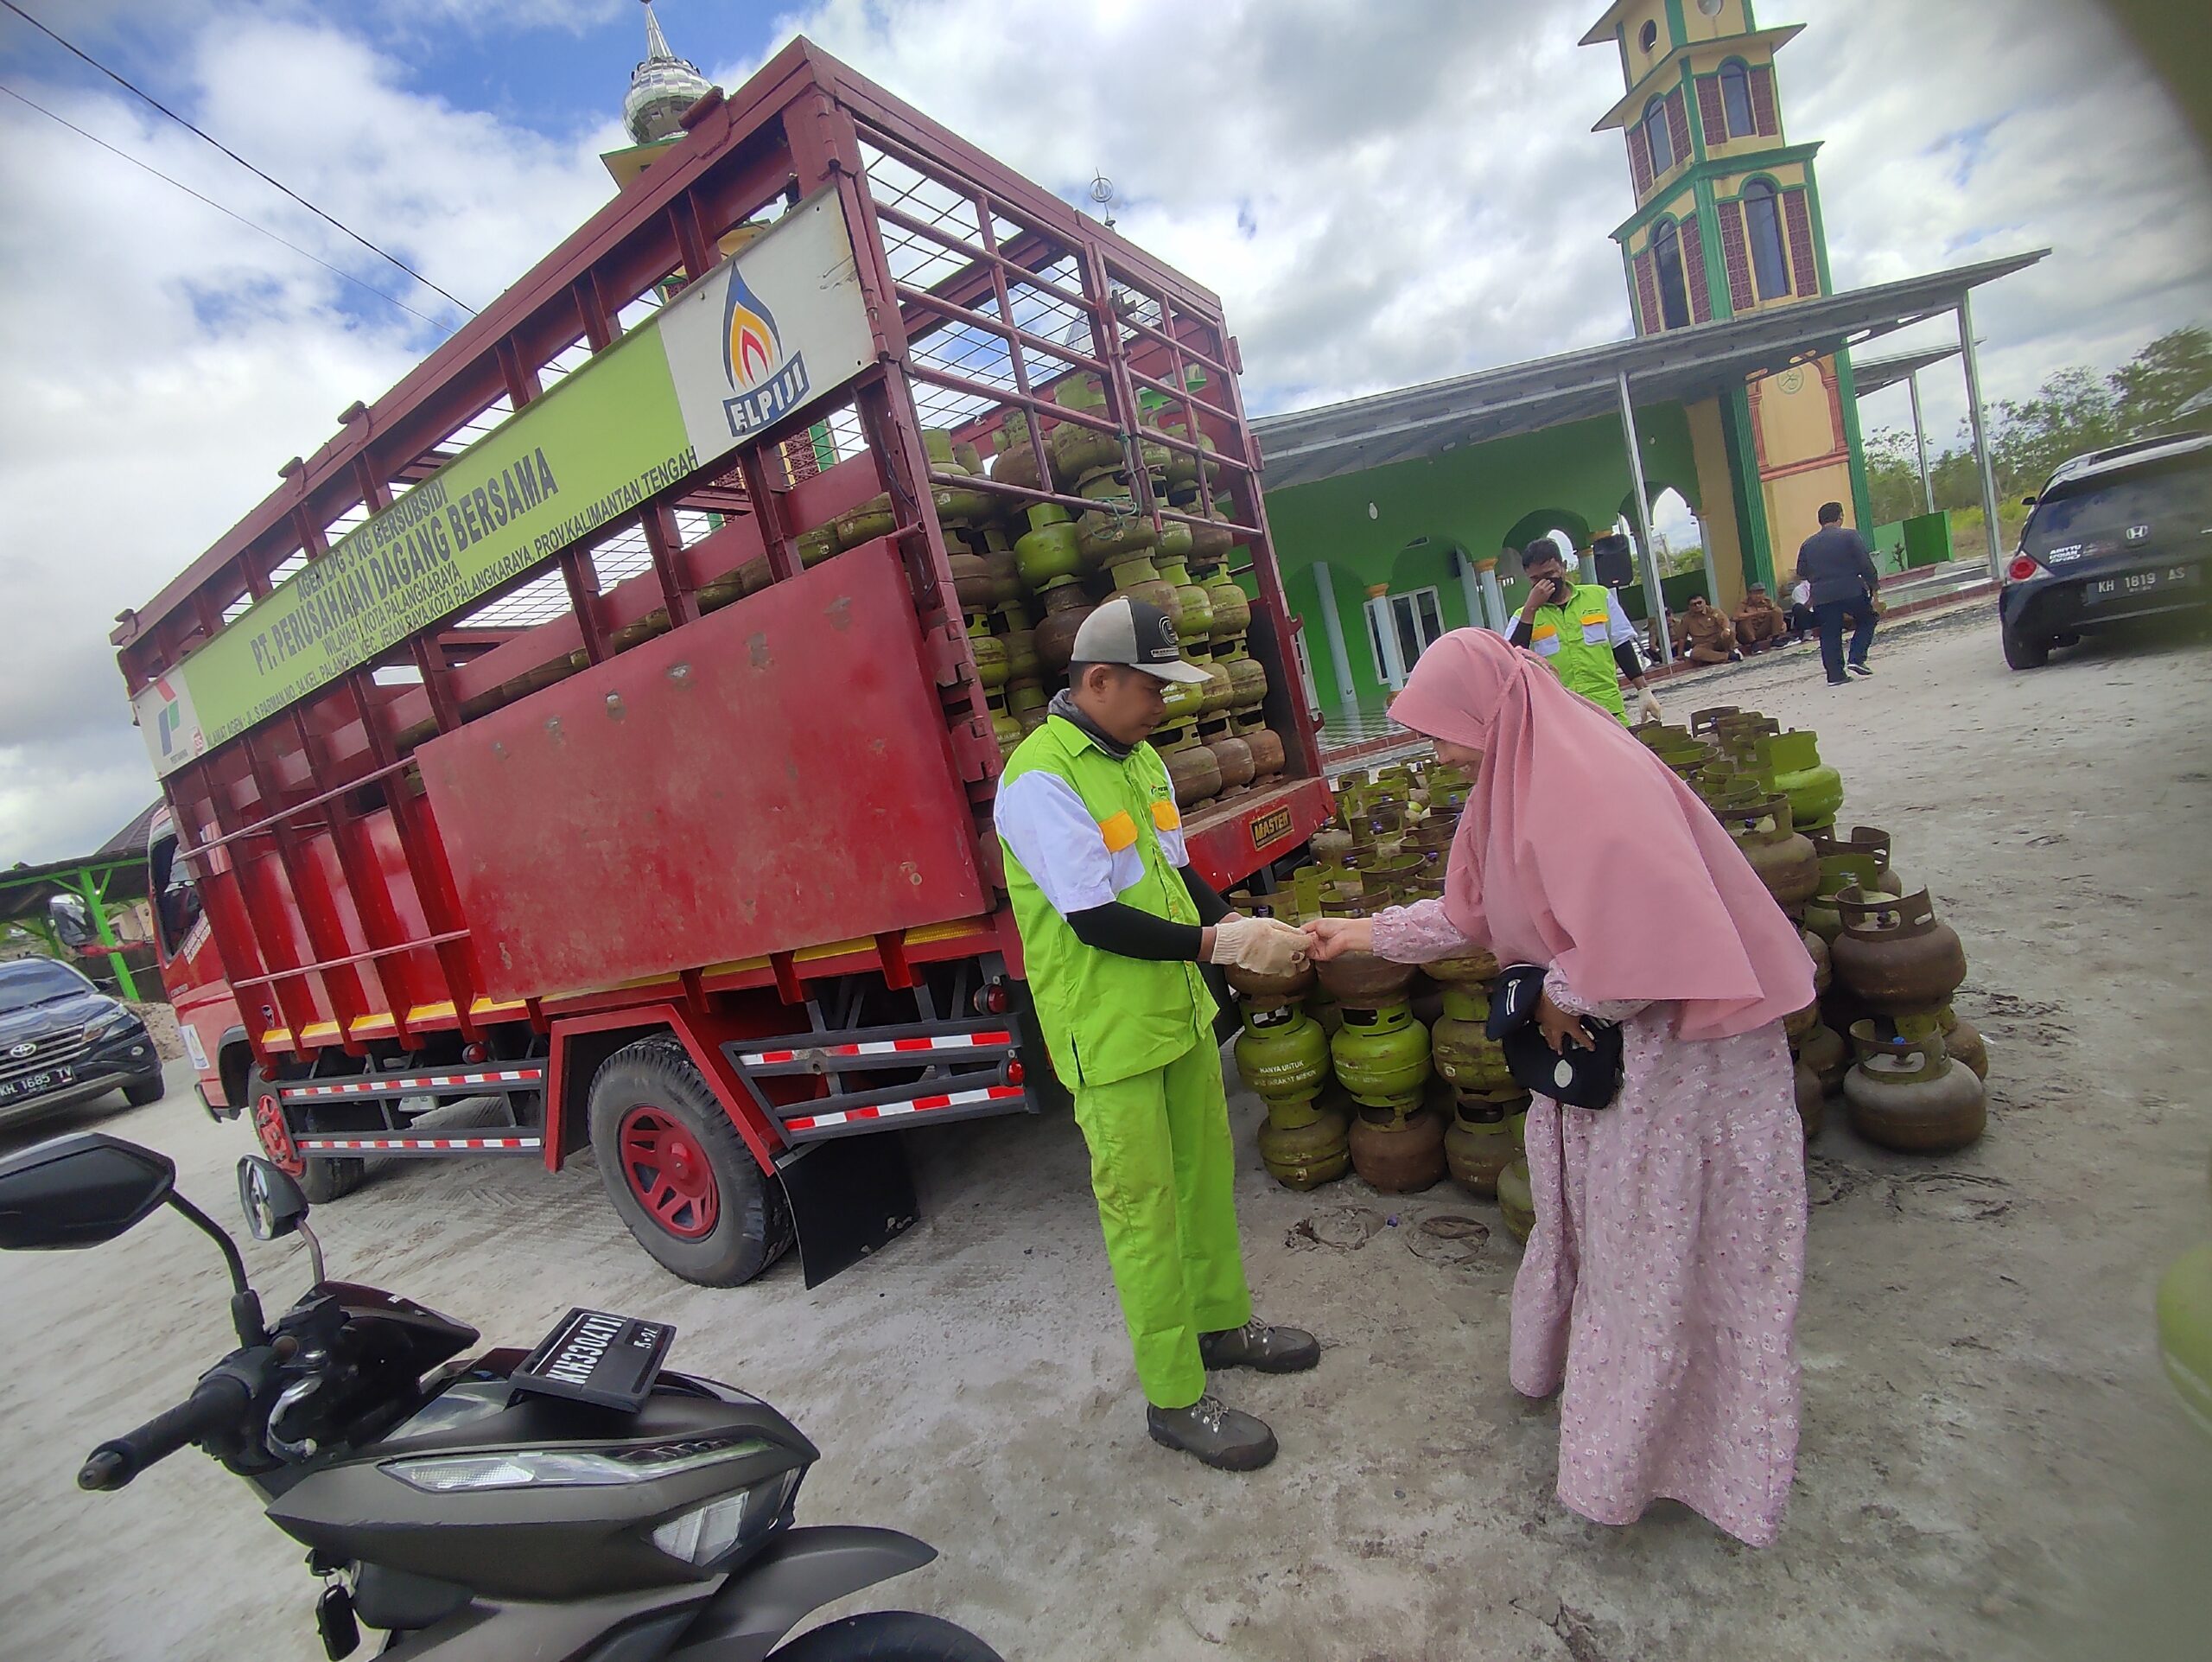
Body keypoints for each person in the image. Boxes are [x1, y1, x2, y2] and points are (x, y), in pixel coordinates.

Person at [1302, 629, 1813, 1547]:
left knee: (1667, 1265)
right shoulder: (1520, 781)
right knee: (1627, 1256)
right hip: (1620, 1070)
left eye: (1444, 731)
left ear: (1489, 712)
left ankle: (1688, 1464)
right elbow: (1472, 914)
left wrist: (1551, 994)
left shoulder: (1594, 787)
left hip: (1686, 1072)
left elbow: (1640, 958)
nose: (1439, 754)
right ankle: (1626, 1433)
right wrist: (1362, 932)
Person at [995, 595, 1320, 1471]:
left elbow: (1176, 876)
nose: (1164, 705)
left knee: (1205, 1183)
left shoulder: (1137, 760)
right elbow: (1094, 917)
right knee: (1144, 1215)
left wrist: (1239, 923)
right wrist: (1218, 946)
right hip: (1108, 1037)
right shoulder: (1040, 778)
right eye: (1152, 688)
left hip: (1175, 1016)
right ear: (1098, 680)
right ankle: (1175, 1397)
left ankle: (1220, 1326)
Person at [1503, 539, 1662, 726]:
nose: (1544, 584)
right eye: (1535, 579)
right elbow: (1512, 660)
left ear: (1563, 567)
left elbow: (1621, 645)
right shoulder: (1523, 616)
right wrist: (1531, 609)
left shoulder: (1599, 596)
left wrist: (1643, 690)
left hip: (1606, 708)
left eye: (1549, 574)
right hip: (1560, 715)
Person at [1794, 501, 1881, 685]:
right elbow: (1865, 564)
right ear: (1840, 516)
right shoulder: (1850, 536)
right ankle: (1856, 657)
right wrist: (1873, 586)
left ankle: (1835, 675)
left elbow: (1801, 572)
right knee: (1867, 619)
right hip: (1850, 589)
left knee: (1829, 632)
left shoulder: (1807, 544)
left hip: (1822, 595)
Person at [1681, 595, 1740, 665]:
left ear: (1704, 602)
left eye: (1699, 603)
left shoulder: (1713, 611)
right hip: (1703, 645)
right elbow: (1682, 638)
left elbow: (1724, 621)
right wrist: (1680, 654)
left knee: (1730, 632)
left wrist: (1726, 630)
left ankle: (1729, 651)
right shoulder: (1686, 619)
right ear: (1689, 607)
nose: (1697, 606)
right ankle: (1728, 656)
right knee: (1695, 653)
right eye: (1694, 604)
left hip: (1719, 640)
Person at [1732, 583, 1787, 652]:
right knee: (1744, 619)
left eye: (1761, 593)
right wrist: (1755, 614)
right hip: (1747, 635)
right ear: (1750, 594)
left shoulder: (1767, 602)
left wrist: (1782, 623)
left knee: (1777, 611)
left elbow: (1777, 613)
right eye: (1756, 594)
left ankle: (1775, 639)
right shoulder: (1744, 603)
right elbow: (1735, 617)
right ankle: (1754, 644)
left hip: (1762, 630)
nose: (1758, 596)